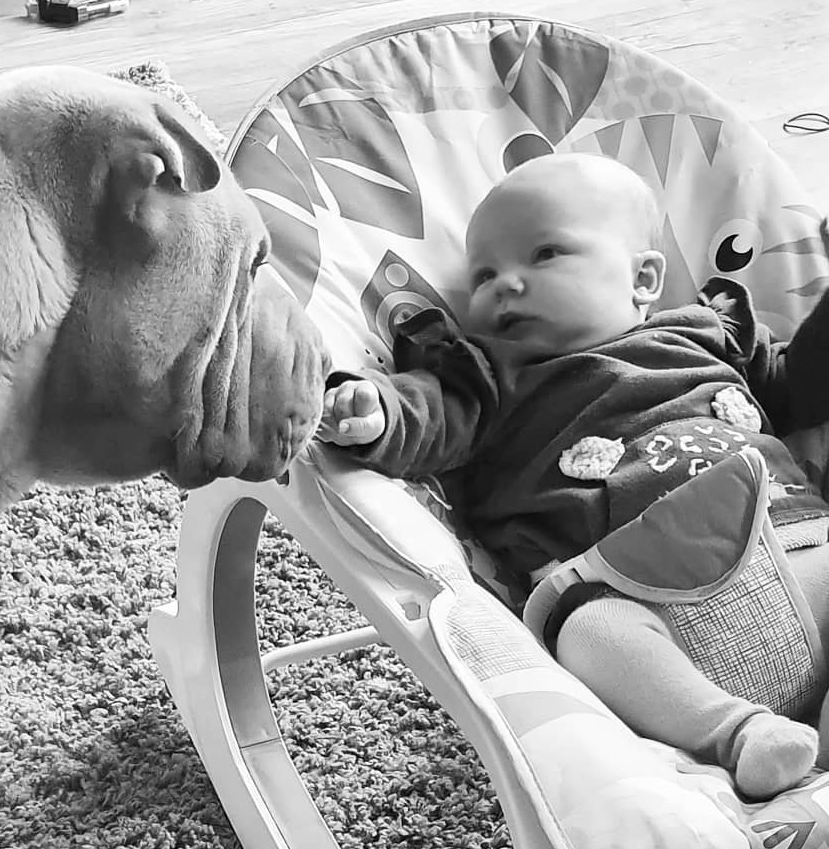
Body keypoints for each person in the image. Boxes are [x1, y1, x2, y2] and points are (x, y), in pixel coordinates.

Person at [318, 152, 829, 800]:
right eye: (483, 275)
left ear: (643, 278)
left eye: (545, 254)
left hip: (796, 548)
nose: (505, 284)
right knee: (587, 634)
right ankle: (739, 733)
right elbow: (429, 415)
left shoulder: (705, 335)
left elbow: (802, 387)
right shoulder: (489, 377)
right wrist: (375, 410)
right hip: (638, 599)